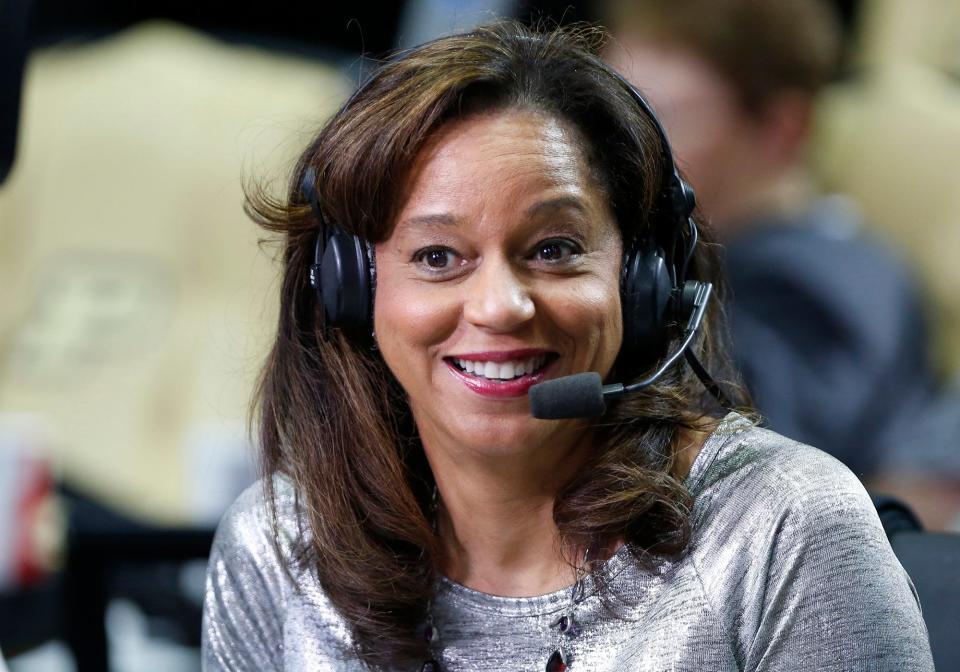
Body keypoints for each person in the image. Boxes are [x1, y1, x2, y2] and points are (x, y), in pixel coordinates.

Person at [201, 22, 933, 670]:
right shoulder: (280, 546)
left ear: (641, 280)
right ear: (351, 291)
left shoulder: (782, 527)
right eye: (436, 256)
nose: (499, 305)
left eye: (554, 249)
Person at [604, 0, 945, 480]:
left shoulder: (816, 287)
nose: (624, 154)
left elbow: (750, 476)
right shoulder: (726, 257)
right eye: (614, 121)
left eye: (664, 120)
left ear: (783, 128)